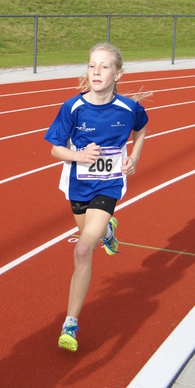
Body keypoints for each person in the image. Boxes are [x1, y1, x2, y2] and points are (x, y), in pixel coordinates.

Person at [44, 43, 148, 352]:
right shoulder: (73, 108)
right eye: (92, 66)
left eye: (104, 67)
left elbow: (141, 130)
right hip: (78, 184)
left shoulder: (129, 109)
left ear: (118, 73)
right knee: (91, 232)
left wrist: (136, 159)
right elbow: (54, 149)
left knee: (83, 249)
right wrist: (79, 155)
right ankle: (108, 230)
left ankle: (70, 324)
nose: (97, 72)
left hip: (109, 185)